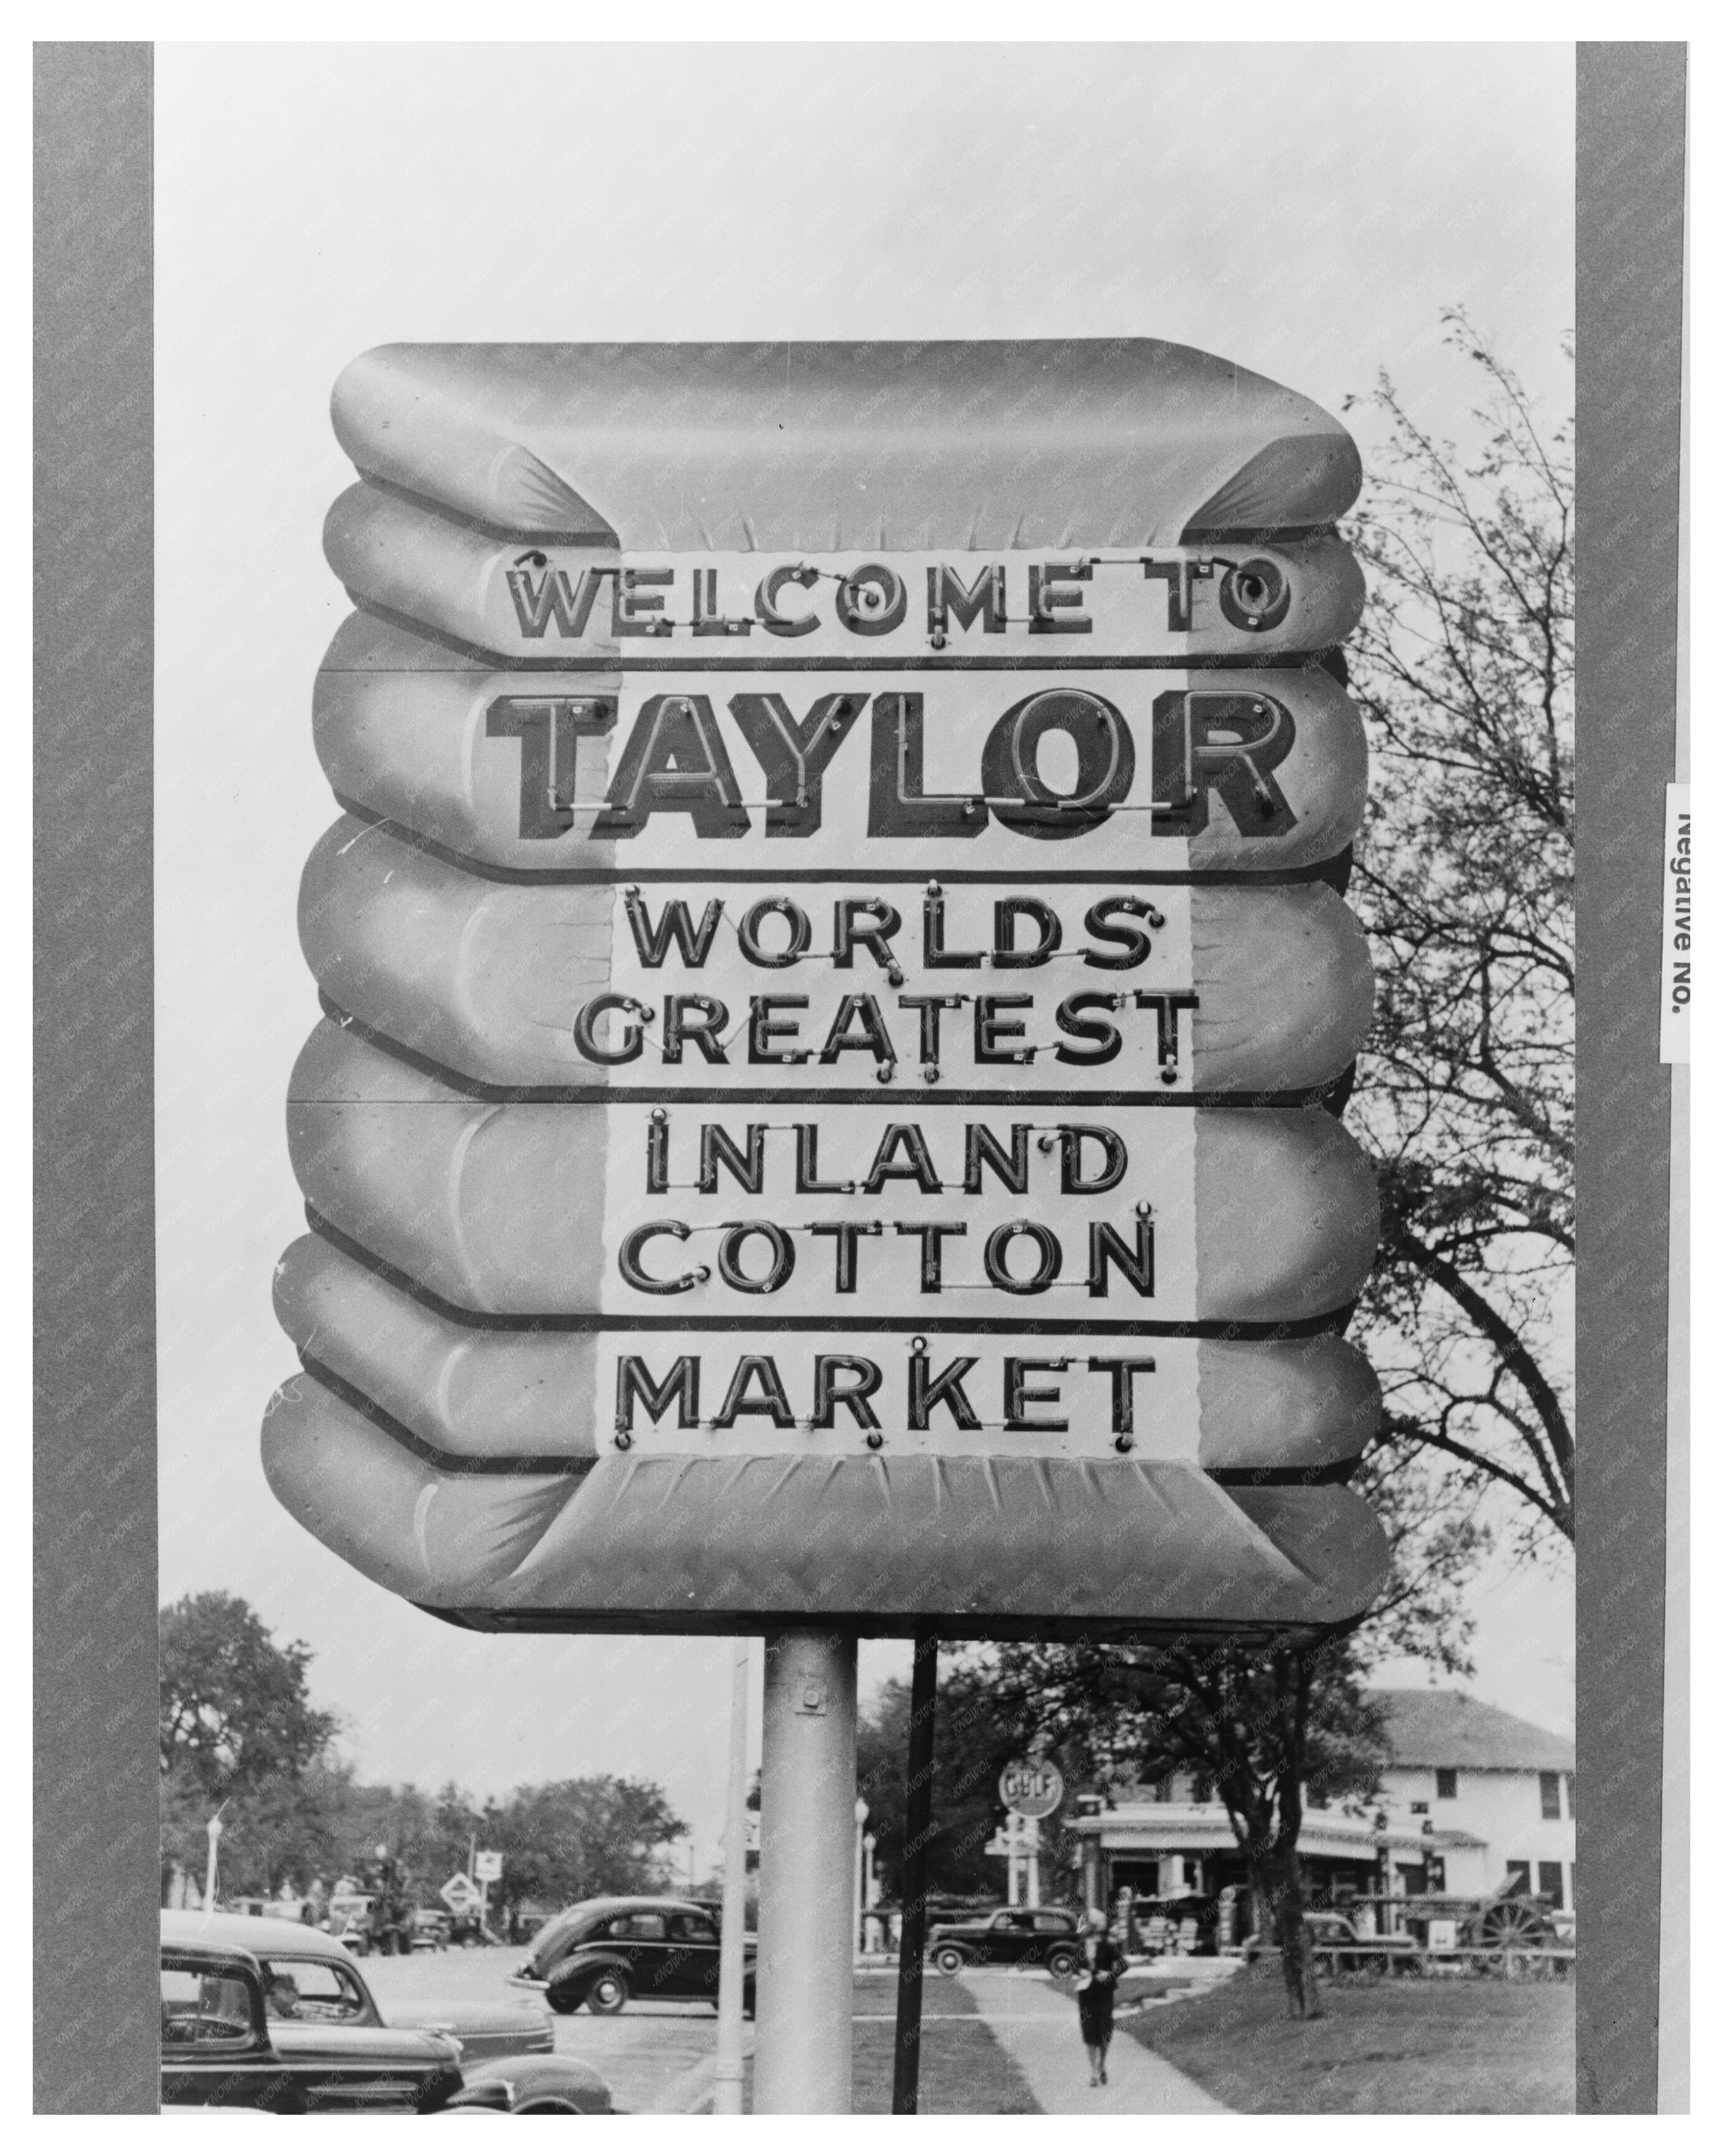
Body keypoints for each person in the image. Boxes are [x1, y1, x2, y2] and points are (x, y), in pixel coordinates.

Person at [1074, 1907, 1121, 2086]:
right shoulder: (1081, 1944)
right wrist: (1081, 1971)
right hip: (1087, 1993)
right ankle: (1093, 2071)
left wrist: (1109, 1974)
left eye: (1091, 1924)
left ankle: (1102, 2064)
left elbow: (1123, 1964)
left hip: (1104, 1993)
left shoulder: (1107, 1945)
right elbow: (1074, 1964)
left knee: (1105, 2031)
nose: (1087, 1927)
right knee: (1090, 2032)